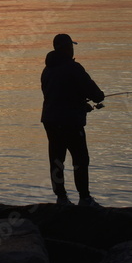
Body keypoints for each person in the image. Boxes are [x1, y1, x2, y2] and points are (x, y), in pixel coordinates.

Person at [40, 33, 105, 207]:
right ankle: (84, 199)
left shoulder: (47, 70)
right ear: (67, 48)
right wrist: (96, 98)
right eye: (71, 46)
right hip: (70, 122)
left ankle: (61, 198)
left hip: (50, 121)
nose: (72, 49)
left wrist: (81, 105)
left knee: (57, 160)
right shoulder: (73, 68)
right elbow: (96, 95)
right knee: (81, 160)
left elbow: (57, 96)